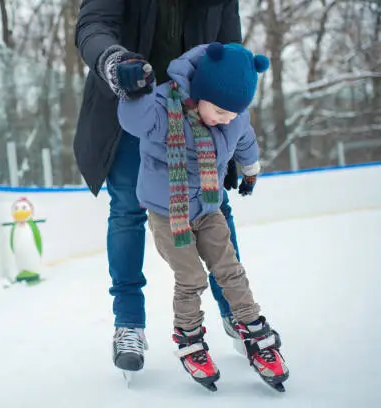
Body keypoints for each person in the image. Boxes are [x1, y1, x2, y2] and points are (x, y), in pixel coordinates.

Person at [74, 0, 246, 373]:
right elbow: (92, 25)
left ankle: (237, 313)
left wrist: (235, 135)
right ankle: (129, 323)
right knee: (127, 211)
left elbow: (232, 48)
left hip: (198, 112)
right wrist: (115, 63)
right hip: (133, 107)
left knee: (214, 206)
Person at [116, 42, 289, 391]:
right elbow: (136, 120)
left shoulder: (234, 115)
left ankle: (252, 326)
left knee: (230, 269)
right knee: (192, 276)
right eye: (222, 112)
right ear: (203, 93)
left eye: (232, 114)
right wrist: (136, 92)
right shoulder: (164, 109)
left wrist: (249, 168)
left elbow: (245, 138)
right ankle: (189, 336)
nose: (228, 119)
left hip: (209, 207)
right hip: (168, 214)